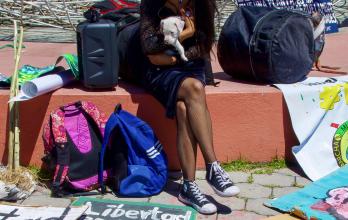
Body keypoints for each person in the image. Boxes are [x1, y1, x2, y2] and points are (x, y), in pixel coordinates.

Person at [139, 0, 240, 214]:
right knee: (194, 89)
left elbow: (203, 44)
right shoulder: (150, 3)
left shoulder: (203, 4)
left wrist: (173, 55)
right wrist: (183, 36)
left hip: (189, 64)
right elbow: (148, 47)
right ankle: (213, 166)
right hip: (158, 71)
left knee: (184, 109)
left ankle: (188, 187)